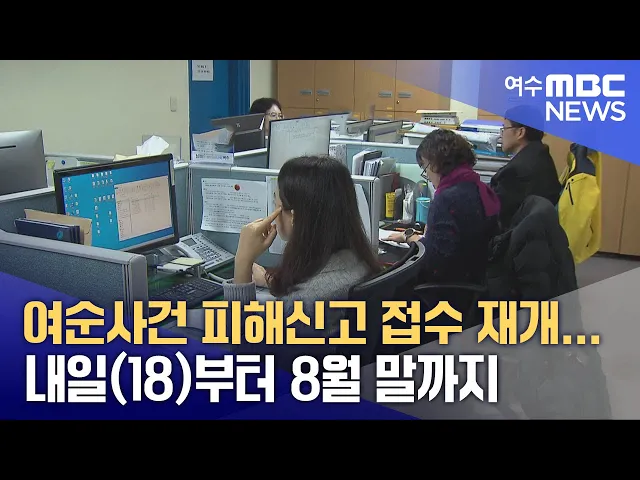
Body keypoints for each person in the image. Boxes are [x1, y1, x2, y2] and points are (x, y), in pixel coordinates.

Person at [223, 155, 380, 358]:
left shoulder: (304, 303)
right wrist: (270, 279)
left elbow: (244, 349)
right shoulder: (359, 259)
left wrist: (242, 262)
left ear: (294, 216)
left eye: (277, 203)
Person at [383, 129, 501, 312]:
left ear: (435, 163)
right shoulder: (477, 186)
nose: (427, 176)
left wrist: (411, 245)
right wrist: (414, 237)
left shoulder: (447, 199)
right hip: (473, 286)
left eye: (425, 168)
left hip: (445, 298)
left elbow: (434, 263)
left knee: (380, 295)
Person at [490, 105, 562, 226]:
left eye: (504, 129)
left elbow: (496, 214)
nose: (500, 135)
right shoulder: (540, 155)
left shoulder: (517, 171)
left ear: (520, 132)